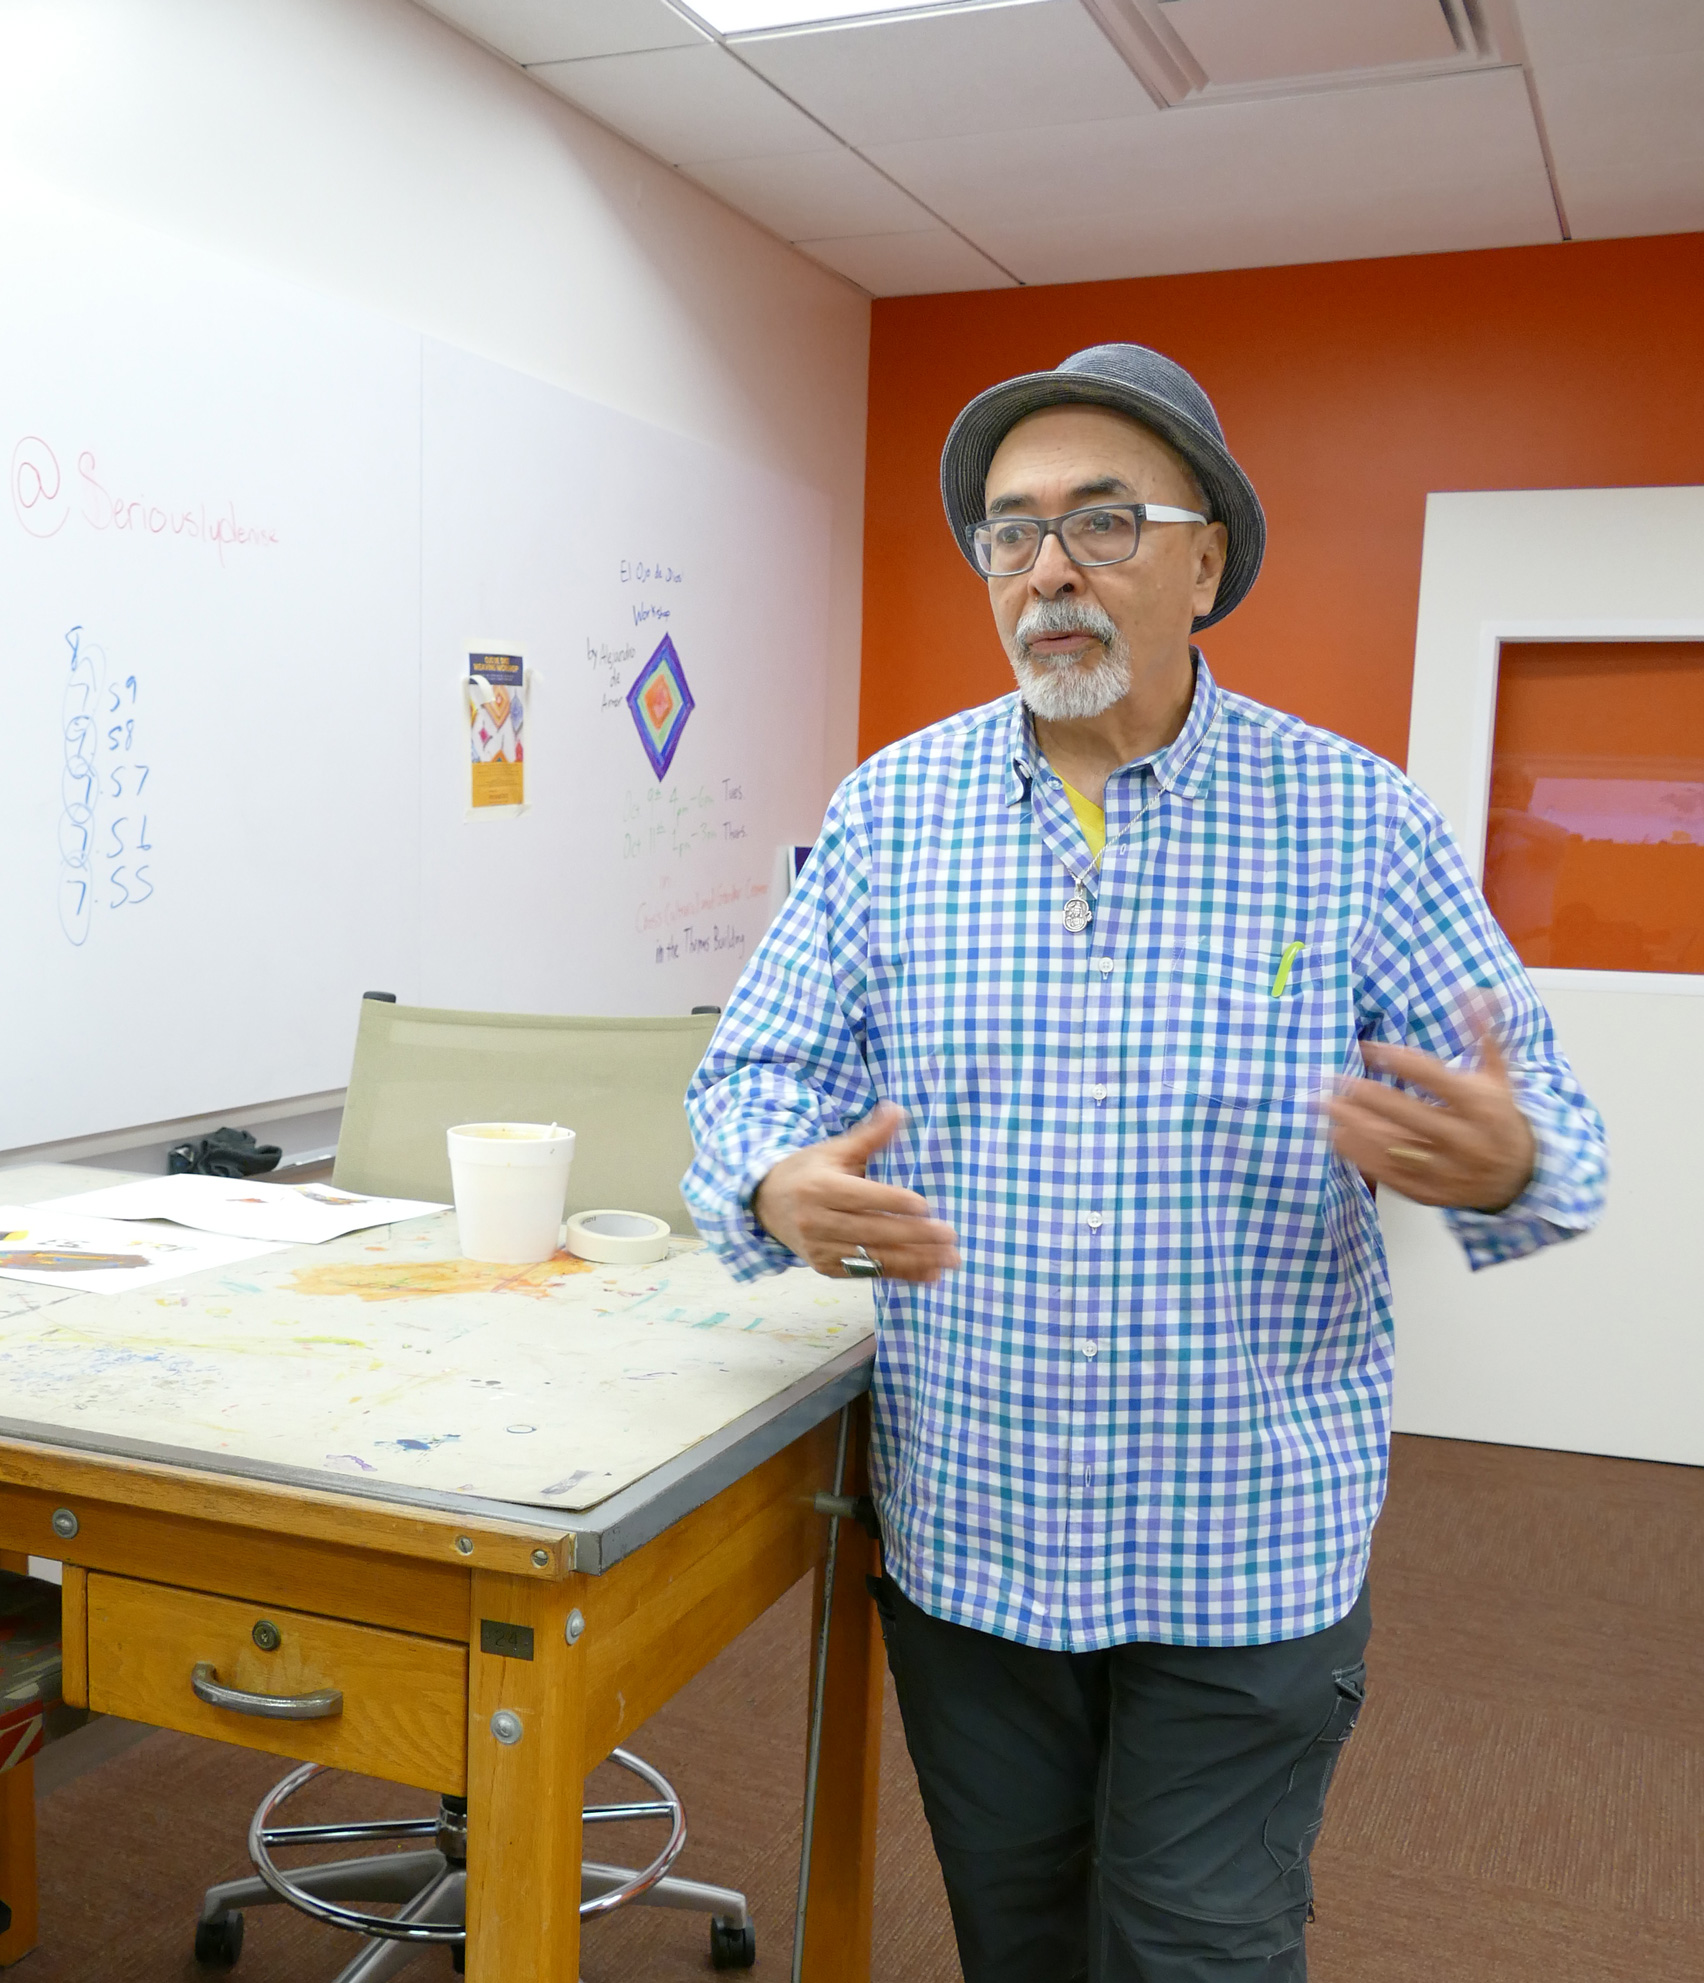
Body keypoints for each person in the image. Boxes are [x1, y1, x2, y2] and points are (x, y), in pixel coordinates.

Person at [682, 344, 1607, 1982]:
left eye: (1102, 522)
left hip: (1245, 1539)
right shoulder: (893, 814)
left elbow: (1555, 1133)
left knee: (1198, 1948)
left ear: (1205, 560)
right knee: (1018, 1939)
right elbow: (751, 1077)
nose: (1047, 568)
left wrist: (1501, 1155)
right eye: (1010, 531)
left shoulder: (1354, 821)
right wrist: (776, 1185)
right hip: (978, 1532)